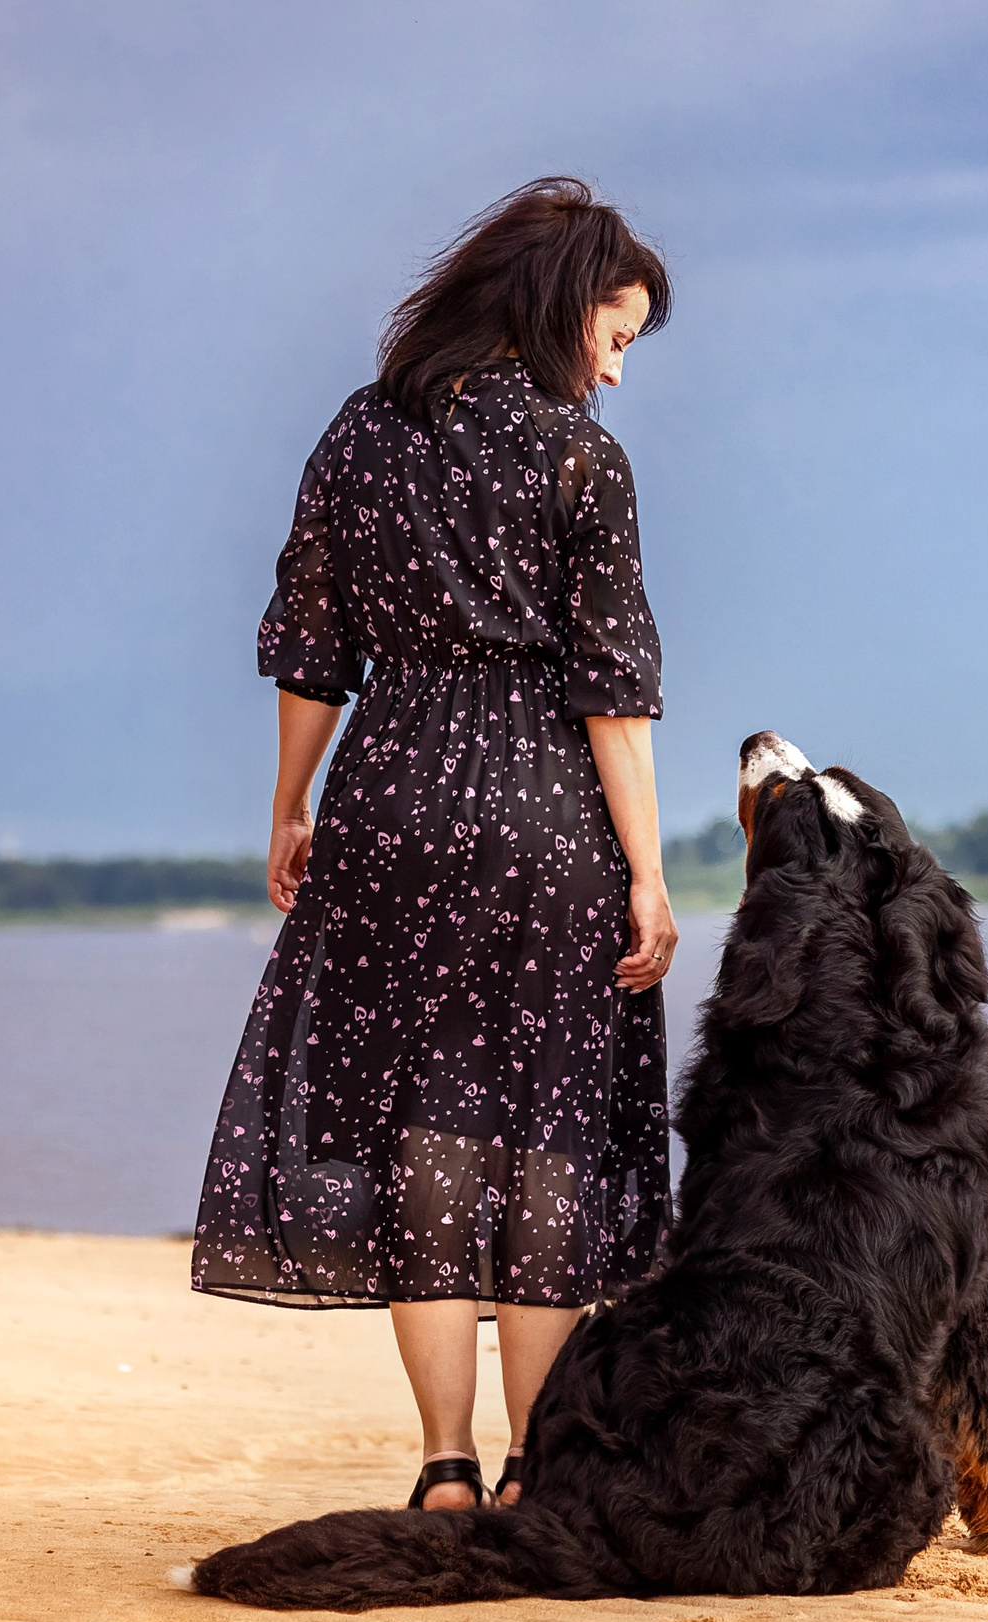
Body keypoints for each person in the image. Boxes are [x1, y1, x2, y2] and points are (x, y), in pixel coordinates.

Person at [189, 178, 679, 1512]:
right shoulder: (582, 461)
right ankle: (541, 1465)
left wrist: (291, 806)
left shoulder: (359, 435)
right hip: (542, 814)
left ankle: (445, 1466)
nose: (618, 374)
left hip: (390, 799)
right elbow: (613, 694)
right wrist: (646, 870)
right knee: (545, 1132)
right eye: (618, 338)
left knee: (423, 1134)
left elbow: (311, 651)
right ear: (566, 306)